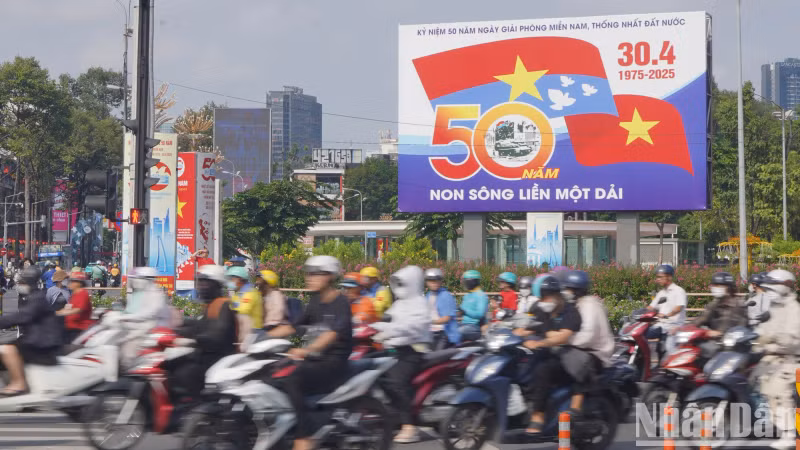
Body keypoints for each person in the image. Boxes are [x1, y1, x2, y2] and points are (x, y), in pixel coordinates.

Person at [268, 256, 352, 450]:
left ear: (329, 276)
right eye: (309, 274)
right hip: (315, 360)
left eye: (315, 274)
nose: (309, 278)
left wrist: (306, 350)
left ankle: (304, 435)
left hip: (333, 363)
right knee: (271, 374)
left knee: (292, 379)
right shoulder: (315, 301)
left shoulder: (341, 302)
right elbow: (294, 326)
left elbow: (331, 335)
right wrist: (262, 337)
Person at [371, 265, 432, 444]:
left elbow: (413, 327)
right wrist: (369, 327)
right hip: (394, 349)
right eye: (397, 282)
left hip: (413, 351)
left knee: (396, 382)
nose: (399, 286)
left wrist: (389, 331)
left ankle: (409, 426)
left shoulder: (420, 303)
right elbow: (387, 320)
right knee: (369, 370)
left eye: (403, 282)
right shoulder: (399, 303)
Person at [515, 275, 583, 434]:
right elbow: (528, 325)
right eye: (541, 297)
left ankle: (538, 415)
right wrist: (514, 330)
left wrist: (540, 342)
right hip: (547, 353)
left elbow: (564, 336)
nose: (543, 301)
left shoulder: (570, 311)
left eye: (546, 296)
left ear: (557, 295)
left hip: (568, 358)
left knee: (542, 370)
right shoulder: (540, 308)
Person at [752, 269, 800, 449]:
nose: (770, 290)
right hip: (770, 360)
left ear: (785, 286)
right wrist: (757, 339)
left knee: (782, 397)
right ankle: (782, 430)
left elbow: (792, 340)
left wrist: (771, 341)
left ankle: (789, 435)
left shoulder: (793, 308)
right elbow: (765, 330)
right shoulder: (774, 307)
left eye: (774, 286)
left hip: (787, 360)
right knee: (769, 395)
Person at [174, 264, 238, 397]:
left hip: (218, 358)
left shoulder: (223, 304)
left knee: (185, 373)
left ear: (217, 286)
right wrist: (177, 327)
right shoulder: (209, 305)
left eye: (206, 283)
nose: (202, 287)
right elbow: (199, 325)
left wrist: (193, 339)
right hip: (206, 354)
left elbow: (217, 334)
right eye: (200, 283)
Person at [0, 267, 63, 396]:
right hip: (35, 338)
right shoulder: (33, 296)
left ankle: (19, 384)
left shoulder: (37, 298)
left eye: (21, 283)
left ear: (28, 282)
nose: (19, 286)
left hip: (41, 343)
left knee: (6, 349)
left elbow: (23, 316)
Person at [561, 270, 615, 415]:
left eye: (568, 289)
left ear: (577, 290)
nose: (566, 292)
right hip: (584, 348)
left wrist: (567, 339)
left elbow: (588, 335)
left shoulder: (590, 305)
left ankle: (575, 409)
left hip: (596, 352)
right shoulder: (578, 304)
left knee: (577, 364)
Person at [646, 264, 687, 357]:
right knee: (643, 333)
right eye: (657, 277)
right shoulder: (661, 293)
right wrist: (640, 312)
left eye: (660, 277)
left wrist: (666, 315)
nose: (658, 279)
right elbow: (651, 307)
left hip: (674, 326)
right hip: (661, 325)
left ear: (669, 277)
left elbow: (678, 308)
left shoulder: (678, 291)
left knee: (667, 348)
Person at [692, 272, 748, 337]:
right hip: (715, 340)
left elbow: (728, 323)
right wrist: (687, 327)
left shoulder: (737, 303)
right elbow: (703, 317)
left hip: (734, 341)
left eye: (719, 285)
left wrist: (718, 332)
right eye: (714, 285)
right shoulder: (715, 303)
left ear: (729, 287)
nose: (715, 288)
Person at [424, 268, 460, 349]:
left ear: (440, 281)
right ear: (427, 282)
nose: (434, 283)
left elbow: (447, 318)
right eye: (431, 280)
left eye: (437, 280)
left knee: (436, 358)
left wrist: (430, 322)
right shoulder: (428, 295)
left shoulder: (446, 295)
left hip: (445, 335)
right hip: (431, 333)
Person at [227, 266, 262, 342]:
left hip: (253, 332)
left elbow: (244, 310)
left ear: (240, 279)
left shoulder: (250, 292)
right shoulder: (239, 293)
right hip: (241, 330)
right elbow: (230, 307)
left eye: (232, 279)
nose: (230, 281)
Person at [60, 272, 93, 343]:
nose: (70, 283)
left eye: (72, 281)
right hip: (70, 328)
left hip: (78, 330)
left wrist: (61, 313)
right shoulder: (74, 295)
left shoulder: (83, 294)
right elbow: (69, 307)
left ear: (79, 283)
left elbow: (78, 309)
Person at [459, 270, 489, 342]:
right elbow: (460, 311)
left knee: (456, 332)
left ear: (472, 281)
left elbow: (480, 314)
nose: (464, 284)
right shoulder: (467, 295)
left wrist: (464, 311)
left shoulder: (481, 295)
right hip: (464, 324)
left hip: (474, 326)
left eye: (465, 281)